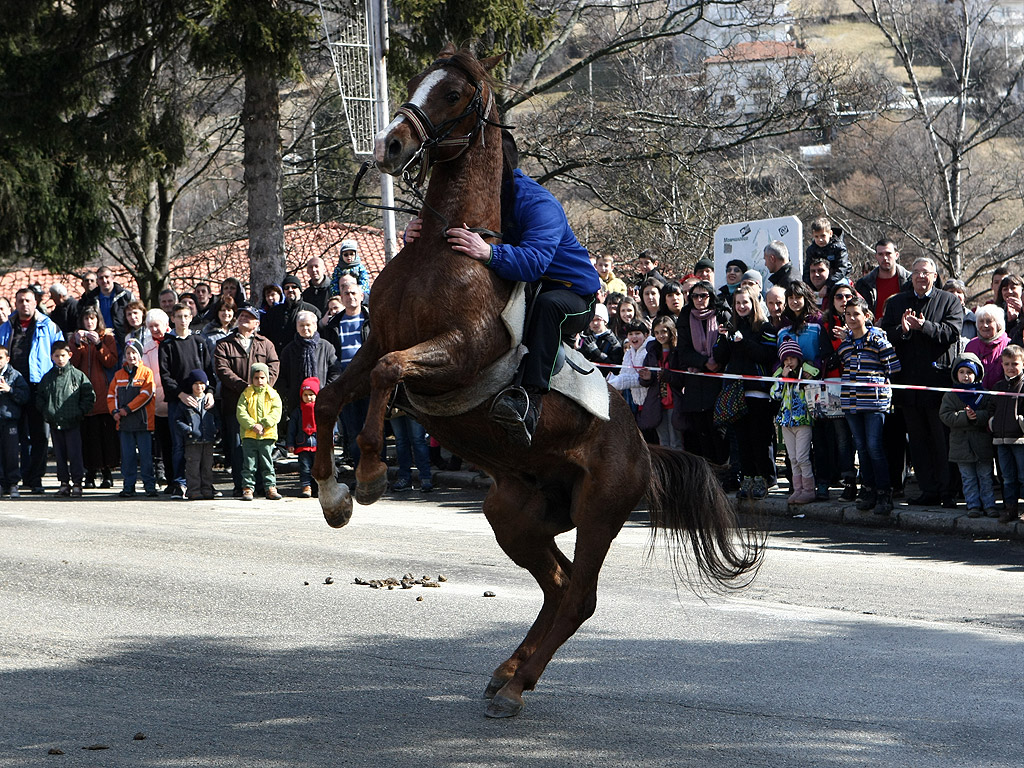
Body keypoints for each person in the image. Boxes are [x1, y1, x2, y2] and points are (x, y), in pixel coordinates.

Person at [430, 132, 599, 448]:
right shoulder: (485, 199)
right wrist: (423, 233)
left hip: (573, 296)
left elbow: (534, 262)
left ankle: (529, 402)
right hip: (528, 288)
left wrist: (490, 253)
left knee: (549, 305)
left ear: (497, 166)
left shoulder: (539, 203)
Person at [880, 257, 964, 507]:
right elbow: (886, 335)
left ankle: (948, 492)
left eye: (925, 273)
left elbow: (952, 333)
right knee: (918, 441)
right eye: (915, 273)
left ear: (934, 276)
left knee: (942, 441)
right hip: (907, 385)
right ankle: (928, 490)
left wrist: (924, 326)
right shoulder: (897, 302)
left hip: (937, 384)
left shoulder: (948, 301)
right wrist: (903, 330)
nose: (920, 277)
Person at [712, 285, 779, 500]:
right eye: (738, 303)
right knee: (741, 440)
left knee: (759, 439)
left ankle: (764, 479)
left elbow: (767, 355)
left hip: (758, 393)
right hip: (735, 392)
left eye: (745, 302)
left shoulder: (765, 327)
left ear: (754, 303)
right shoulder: (731, 327)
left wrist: (745, 341)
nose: (741, 306)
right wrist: (723, 337)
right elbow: (720, 357)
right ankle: (748, 478)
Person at [838, 296, 901, 516]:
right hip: (851, 402)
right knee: (862, 448)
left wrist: (877, 378)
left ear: (866, 316)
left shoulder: (877, 339)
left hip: (874, 402)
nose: (852, 318)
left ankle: (885, 491)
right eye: (848, 314)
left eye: (857, 314)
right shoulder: (845, 345)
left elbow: (893, 367)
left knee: (875, 447)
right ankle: (868, 489)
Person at [0, 287, 64, 493]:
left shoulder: (49, 326)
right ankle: (10, 479)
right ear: (15, 304)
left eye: (28, 300)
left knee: (39, 435)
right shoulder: (5, 327)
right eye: (20, 301)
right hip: (10, 387)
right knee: (11, 436)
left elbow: (60, 352)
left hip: (38, 386)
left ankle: (34, 479)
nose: (24, 304)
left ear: (35, 302)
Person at [214, 302, 280, 497]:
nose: (243, 318)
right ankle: (241, 485)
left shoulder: (266, 344)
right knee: (237, 447)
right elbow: (222, 369)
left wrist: (264, 386)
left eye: (248, 317)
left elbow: (274, 366)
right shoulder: (224, 344)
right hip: (235, 404)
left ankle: (264, 485)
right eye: (241, 316)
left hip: (263, 406)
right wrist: (244, 387)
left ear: (257, 323)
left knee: (263, 449)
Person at [158, 303, 217, 499]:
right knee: (179, 444)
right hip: (179, 401)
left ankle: (203, 483)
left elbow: (209, 371)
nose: (182, 320)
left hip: (200, 399)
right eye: (178, 316)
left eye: (186, 316)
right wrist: (180, 394)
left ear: (191, 318)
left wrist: (209, 391)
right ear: (172, 319)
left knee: (203, 442)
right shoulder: (167, 344)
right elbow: (165, 375)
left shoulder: (199, 341)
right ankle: (179, 482)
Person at [671, 280, 729, 465]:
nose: (698, 299)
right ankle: (710, 473)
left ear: (710, 297)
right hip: (696, 383)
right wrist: (704, 362)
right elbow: (683, 351)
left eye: (703, 295)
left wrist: (716, 361)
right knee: (701, 433)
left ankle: (725, 472)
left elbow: (728, 344)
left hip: (718, 383)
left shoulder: (722, 314)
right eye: (695, 296)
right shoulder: (686, 316)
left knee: (720, 432)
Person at [939, 354, 996, 518]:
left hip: (981, 444)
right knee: (968, 478)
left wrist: (978, 416)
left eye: (970, 372)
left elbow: (991, 412)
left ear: (977, 374)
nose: (965, 376)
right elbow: (945, 416)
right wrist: (964, 417)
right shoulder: (950, 395)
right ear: (955, 374)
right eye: (962, 372)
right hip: (961, 445)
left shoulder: (984, 394)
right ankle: (973, 505)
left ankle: (990, 505)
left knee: (985, 476)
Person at [36, 340, 95, 497]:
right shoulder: (48, 378)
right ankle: (63, 483)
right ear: (51, 357)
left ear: (69, 355)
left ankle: (77, 482)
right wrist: (46, 411)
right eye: (57, 356)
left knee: (75, 453)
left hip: (73, 422)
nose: (60, 359)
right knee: (59, 455)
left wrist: (79, 412)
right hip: (55, 423)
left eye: (63, 355)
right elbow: (40, 397)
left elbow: (89, 396)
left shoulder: (77, 376)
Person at [70, 307, 120, 488]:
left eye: (93, 319)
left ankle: (107, 472)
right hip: (82, 393)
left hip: (103, 391)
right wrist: (75, 344)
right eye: (86, 319)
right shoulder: (77, 339)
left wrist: (99, 344)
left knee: (105, 434)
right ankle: (90, 472)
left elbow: (111, 361)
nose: (89, 323)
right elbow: (72, 364)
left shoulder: (107, 338)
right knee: (88, 434)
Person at [770, 337, 819, 504]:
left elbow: (815, 380)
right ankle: (798, 489)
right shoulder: (780, 375)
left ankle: (809, 490)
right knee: (793, 458)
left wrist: (806, 375)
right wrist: (782, 379)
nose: (789, 362)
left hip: (803, 421)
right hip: (786, 422)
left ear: (798, 358)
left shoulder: (806, 373)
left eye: (792, 358)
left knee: (802, 457)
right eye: (786, 359)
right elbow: (775, 395)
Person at [108, 339, 157, 498]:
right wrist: (114, 411)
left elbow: (146, 394)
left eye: (134, 352)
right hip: (124, 424)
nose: (131, 356)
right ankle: (128, 486)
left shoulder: (147, 373)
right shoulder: (118, 375)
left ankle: (150, 486)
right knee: (127, 457)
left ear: (140, 354)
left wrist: (126, 409)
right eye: (128, 353)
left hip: (143, 423)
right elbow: (111, 395)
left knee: (146, 457)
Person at [987, 345, 1024, 524]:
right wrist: (992, 423)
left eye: (1015, 363)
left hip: (1020, 440)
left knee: (1023, 476)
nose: (1010, 367)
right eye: (1007, 364)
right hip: (1000, 440)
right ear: (1001, 365)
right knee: (1007, 477)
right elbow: (991, 409)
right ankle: (1010, 509)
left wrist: (1020, 421)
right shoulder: (999, 386)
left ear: (1023, 364)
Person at [277, 311, 339, 417]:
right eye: (301, 325)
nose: (305, 328)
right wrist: (289, 393)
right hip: (296, 403)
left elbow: (335, 371)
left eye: (308, 325)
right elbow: (282, 375)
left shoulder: (326, 347)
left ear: (315, 326)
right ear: (297, 327)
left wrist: (326, 391)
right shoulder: (289, 350)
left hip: (322, 400)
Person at [236, 362, 282, 501]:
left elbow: (276, 412)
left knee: (267, 463)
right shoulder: (246, 394)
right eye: (256, 378)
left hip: (267, 435)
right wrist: (252, 425)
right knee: (249, 464)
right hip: (249, 435)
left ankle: (270, 487)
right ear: (251, 379)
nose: (259, 381)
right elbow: (241, 412)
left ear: (267, 378)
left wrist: (263, 424)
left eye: (262, 377)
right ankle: (248, 488)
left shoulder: (273, 394)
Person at [175, 369, 220, 501]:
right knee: (192, 467)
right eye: (196, 383)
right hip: (192, 441)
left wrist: (216, 429)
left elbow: (217, 418)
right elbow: (178, 420)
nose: (199, 386)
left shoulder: (209, 402)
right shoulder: (186, 402)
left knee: (207, 466)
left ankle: (206, 489)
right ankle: (193, 490)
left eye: (202, 383)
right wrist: (188, 430)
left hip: (208, 440)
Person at [638, 316, 681, 449]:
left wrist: (668, 376)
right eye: (656, 333)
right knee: (663, 442)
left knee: (676, 442)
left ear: (671, 331)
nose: (660, 336)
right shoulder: (652, 352)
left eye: (663, 331)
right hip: (657, 403)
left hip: (675, 402)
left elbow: (682, 378)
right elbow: (647, 380)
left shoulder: (678, 351)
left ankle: (678, 470)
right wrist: (646, 378)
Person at [142, 309, 172, 488]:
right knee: (163, 442)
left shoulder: (174, 342)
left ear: (166, 325)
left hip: (175, 398)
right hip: (157, 400)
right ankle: (167, 478)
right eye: (151, 326)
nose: (154, 329)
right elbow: (146, 373)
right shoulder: (147, 347)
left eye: (157, 325)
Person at [263, 275, 321, 354]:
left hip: (302, 356)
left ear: (300, 290)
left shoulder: (312, 310)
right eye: (286, 288)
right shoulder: (273, 312)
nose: (290, 290)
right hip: (278, 357)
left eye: (294, 287)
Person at [855, 239, 911, 320]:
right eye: (880, 254)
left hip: (903, 329)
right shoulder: (864, 284)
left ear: (896, 255)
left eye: (888, 254)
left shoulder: (910, 281)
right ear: (876, 256)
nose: (885, 258)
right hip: (873, 330)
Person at [0, 344, 30, 498]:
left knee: (11, 453)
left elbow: (25, 396)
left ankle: (13, 483)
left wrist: (9, 390)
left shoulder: (15, 375)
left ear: (7, 359)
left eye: (0, 358)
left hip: (10, 420)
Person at [606, 318, 652, 417]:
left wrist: (619, 381)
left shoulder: (650, 350)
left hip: (652, 400)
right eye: (630, 334)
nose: (634, 337)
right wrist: (613, 379)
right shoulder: (628, 353)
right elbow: (624, 373)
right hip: (636, 402)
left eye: (637, 333)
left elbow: (642, 377)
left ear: (646, 335)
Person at [286, 377, 320, 498]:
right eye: (305, 395)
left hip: (318, 446)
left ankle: (317, 488)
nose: (308, 397)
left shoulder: (319, 410)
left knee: (318, 468)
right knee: (305, 468)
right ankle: (306, 487)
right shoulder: (298, 411)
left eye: (311, 394)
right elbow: (292, 429)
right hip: (303, 445)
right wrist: (290, 443)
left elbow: (327, 428)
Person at [389, 408, 434, 494]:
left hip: (411, 406)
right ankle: (404, 478)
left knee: (418, 440)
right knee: (401, 441)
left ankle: (425, 477)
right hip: (394, 406)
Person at [965, 304, 1009, 389]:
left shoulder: (1008, 344)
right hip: (975, 396)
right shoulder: (971, 345)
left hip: (1001, 397)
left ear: (998, 324)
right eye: (981, 321)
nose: (985, 325)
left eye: (989, 321)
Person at [802, 216, 852, 285]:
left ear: (830, 234)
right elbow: (807, 271)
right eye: (816, 236)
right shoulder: (811, 250)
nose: (820, 239)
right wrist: (809, 287)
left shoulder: (839, 247)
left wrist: (827, 286)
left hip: (839, 278)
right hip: (819, 277)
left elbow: (842, 268)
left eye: (823, 236)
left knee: (838, 287)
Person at [578, 303, 622, 371]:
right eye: (592, 320)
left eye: (598, 319)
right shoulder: (588, 339)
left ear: (605, 321)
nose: (595, 323)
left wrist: (597, 352)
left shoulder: (613, 341)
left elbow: (615, 367)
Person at [997, 273, 1024, 341]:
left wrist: (1022, 312)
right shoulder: (998, 311)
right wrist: (1011, 322)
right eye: (1005, 289)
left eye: (1013, 288)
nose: (1009, 291)